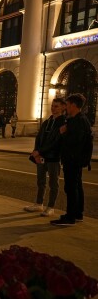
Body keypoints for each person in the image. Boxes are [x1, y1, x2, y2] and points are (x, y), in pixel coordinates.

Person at [51, 94, 93, 226]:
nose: (66, 108)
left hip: (73, 159)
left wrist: (64, 133)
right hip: (76, 159)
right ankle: (77, 213)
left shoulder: (78, 121)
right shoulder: (80, 119)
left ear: (74, 105)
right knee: (77, 186)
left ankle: (70, 217)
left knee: (71, 187)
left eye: (68, 105)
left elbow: (74, 142)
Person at [25, 98, 67, 217]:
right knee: (41, 181)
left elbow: (55, 141)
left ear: (63, 107)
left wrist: (39, 151)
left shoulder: (63, 122)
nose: (53, 108)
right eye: (53, 106)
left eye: (56, 106)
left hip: (53, 157)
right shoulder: (47, 121)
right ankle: (39, 204)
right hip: (41, 156)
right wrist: (35, 151)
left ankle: (51, 207)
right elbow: (39, 137)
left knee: (53, 183)